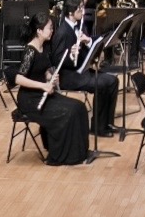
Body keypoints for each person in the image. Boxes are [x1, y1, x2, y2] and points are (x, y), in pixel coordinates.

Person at [12, 12, 91, 165]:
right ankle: (62, 155)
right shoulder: (30, 50)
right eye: (49, 28)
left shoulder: (45, 46)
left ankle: (79, 153)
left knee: (79, 107)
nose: (52, 31)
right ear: (39, 31)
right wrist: (44, 85)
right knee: (67, 113)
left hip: (44, 92)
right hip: (30, 99)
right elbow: (18, 78)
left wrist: (50, 77)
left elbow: (43, 70)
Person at [49, 0, 119, 136]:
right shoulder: (62, 32)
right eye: (80, 8)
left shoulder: (81, 26)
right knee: (103, 84)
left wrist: (87, 41)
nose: (83, 11)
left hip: (83, 70)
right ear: (70, 12)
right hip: (70, 76)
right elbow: (57, 60)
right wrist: (71, 55)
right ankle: (98, 128)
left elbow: (90, 49)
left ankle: (106, 123)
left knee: (113, 81)